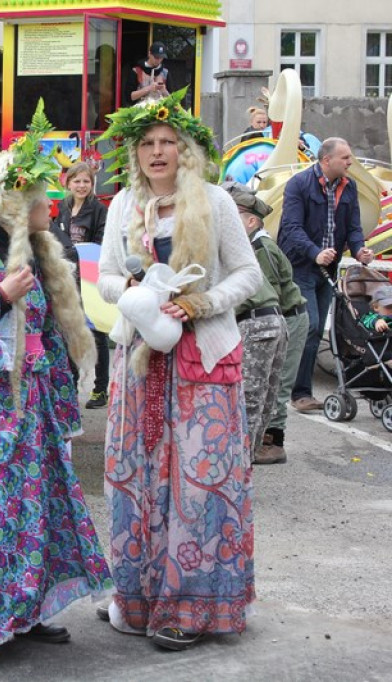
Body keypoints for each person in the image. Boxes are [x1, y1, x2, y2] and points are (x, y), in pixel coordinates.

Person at [0, 103, 113, 679]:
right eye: (40, 195)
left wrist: (65, 397)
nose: (52, 203)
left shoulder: (38, 247)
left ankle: (25, 612)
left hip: (30, 410)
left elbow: (48, 335)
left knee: (33, 512)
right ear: (13, 202)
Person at [96, 88, 262, 651]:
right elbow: (105, 279)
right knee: (135, 480)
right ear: (135, 152)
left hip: (200, 360)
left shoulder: (214, 202)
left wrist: (198, 304)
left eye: (168, 141)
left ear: (185, 150)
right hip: (139, 359)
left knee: (200, 485)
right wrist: (139, 292)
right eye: (147, 142)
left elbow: (247, 274)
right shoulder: (122, 205)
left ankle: (192, 607)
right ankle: (136, 598)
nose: (158, 151)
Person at [278, 137, 374, 412]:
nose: (350, 161)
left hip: (327, 269)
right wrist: (314, 252)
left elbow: (353, 227)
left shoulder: (349, 186)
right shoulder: (299, 184)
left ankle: (297, 388)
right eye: (345, 157)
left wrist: (359, 251)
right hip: (301, 265)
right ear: (326, 160)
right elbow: (291, 227)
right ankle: (300, 393)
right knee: (309, 326)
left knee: (317, 328)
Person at [226, 183, 293, 465]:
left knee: (250, 401)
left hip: (258, 324)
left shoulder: (234, 243)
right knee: (262, 400)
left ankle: (240, 468)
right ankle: (247, 461)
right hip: (274, 320)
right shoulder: (242, 244)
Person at [57, 161, 110, 408]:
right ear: (68, 183)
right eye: (76, 181)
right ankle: (71, 382)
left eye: (86, 181)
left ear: (92, 184)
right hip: (67, 279)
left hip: (90, 277)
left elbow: (102, 241)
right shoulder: (64, 209)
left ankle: (100, 388)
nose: (81, 186)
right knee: (69, 330)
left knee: (96, 332)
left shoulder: (99, 209)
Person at [125, 41, 169, 105]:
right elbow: (129, 97)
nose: (159, 60)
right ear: (149, 54)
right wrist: (149, 88)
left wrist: (164, 91)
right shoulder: (136, 71)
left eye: (161, 58)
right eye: (156, 57)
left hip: (161, 112)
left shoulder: (166, 72)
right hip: (139, 112)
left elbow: (173, 99)